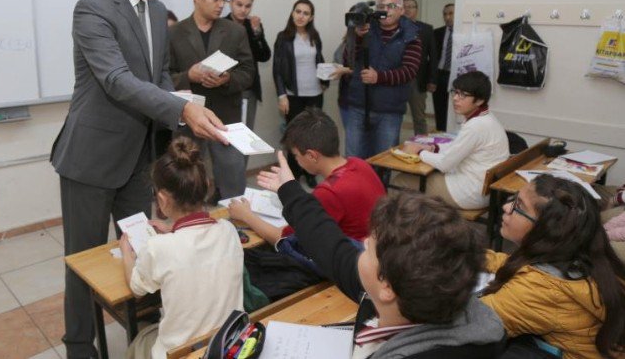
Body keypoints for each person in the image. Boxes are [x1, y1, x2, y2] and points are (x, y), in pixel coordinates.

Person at [49, 0, 227, 358]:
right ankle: (78, 345)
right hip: (90, 161)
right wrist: (181, 108)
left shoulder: (155, 12)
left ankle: (141, 332)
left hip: (138, 160)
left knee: (140, 247)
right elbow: (115, 79)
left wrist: (183, 101)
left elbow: (158, 78)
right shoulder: (92, 8)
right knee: (84, 262)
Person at [255, 151, 506, 358]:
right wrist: (290, 190)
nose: (363, 242)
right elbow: (329, 245)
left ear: (386, 285)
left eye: (369, 248)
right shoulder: (418, 294)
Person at [121, 137, 243, 359]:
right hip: (228, 342)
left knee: (141, 340)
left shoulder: (158, 248)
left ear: (162, 200)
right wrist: (174, 232)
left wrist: (126, 253)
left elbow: (136, 288)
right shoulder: (228, 230)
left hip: (181, 352)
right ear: (206, 187)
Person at [481, 175, 625, 358]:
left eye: (519, 206)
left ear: (547, 230)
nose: (506, 207)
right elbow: (515, 265)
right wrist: (472, 256)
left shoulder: (540, 289)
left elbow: (473, 325)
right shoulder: (582, 254)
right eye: (513, 199)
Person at [228, 108, 385, 268]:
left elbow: (285, 240)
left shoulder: (329, 193)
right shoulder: (359, 164)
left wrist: (247, 216)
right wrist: (288, 191)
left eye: (296, 155)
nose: (296, 160)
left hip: (355, 266)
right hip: (378, 252)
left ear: (311, 155)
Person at [168, 0, 255, 201]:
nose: (220, 5)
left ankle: (237, 228)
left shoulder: (235, 32)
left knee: (233, 184)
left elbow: (248, 73)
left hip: (226, 120)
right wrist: (189, 76)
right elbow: (163, 79)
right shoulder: (174, 33)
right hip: (188, 121)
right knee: (185, 186)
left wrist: (227, 79)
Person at [395, 71, 509, 210]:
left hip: (468, 193)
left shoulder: (476, 126)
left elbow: (445, 164)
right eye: (455, 92)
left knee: (400, 181)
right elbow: (457, 147)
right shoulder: (487, 118)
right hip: (483, 190)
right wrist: (432, 148)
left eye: (463, 95)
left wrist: (419, 152)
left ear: (479, 100)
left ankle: (397, 227)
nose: (455, 98)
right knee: (423, 174)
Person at [344, 0, 422, 160]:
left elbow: (409, 71)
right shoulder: (366, 28)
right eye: (381, 6)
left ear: (401, 10)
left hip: (389, 110)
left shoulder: (411, 36)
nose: (385, 10)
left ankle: (379, 188)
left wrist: (378, 77)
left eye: (391, 6)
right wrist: (356, 37)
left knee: (383, 161)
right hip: (359, 105)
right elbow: (347, 60)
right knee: (353, 159)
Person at [272, 0, 328, 186]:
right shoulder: (283, 37)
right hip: (293, 95)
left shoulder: (315, 36)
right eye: (298, 11)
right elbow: (277, 70)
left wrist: (325, 79)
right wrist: (282, 95)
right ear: (292, 13)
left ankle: (310, 173)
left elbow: (319, 60)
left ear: (311, 17)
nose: (301, 16)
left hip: (315, 94)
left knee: (313, 137)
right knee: (294, 137)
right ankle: (293, 174)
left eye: (305, 13)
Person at [225, 0, 271, 138]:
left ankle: (242, 163)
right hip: (225, 89)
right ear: (230, 3)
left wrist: (257, 32)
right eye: (239, 5)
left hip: (249, 89)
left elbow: (264, 56)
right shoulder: (220, 24)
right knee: (226, 136)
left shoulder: (253, 25)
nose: (243, 10)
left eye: (248, 6)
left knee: (246, 136)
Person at [402, 0, 438, 135]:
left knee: (419, 117)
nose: (408, 9)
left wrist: (432, 79)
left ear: (416, 10)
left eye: (411, 6)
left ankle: (421, 145)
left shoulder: (426, 29)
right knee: (394, 116)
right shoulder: (392, 27)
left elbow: (433, 56)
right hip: (396, 79)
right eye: (404, 6)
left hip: (418, 79)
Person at [433, 3, 455, 132]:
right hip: (440, 74)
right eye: (445, 14)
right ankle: (440, 132)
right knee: (440, 107)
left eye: (451, 13)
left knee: (453, 108)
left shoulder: (463, 33)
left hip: (455, 74)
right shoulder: (437, 32)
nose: (447, 17)